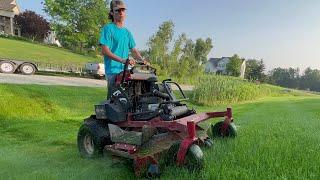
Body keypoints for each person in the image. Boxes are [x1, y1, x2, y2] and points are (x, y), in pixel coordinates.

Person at [99, 0, 145, 99]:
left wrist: (142, 60)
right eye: (118, 10)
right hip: (113, 71)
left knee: (131, 98)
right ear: (112, 12)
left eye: (123, 10)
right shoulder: (108, 28)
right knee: (114, 101)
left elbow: (133, 50)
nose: (121, 12)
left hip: (126, 72)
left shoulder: (127, 32)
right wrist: (123, 60)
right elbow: (105, 51)